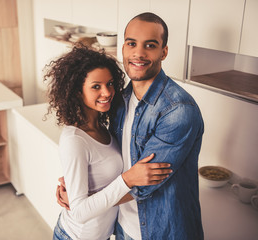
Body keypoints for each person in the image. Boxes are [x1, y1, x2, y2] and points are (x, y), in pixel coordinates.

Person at [57, 12, 205, 240]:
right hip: (122, 227)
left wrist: (83, 203)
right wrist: (78, 192)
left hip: (162, 230)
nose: (138, 53)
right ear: (123, 48)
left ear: (163, 52)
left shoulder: (177, 109)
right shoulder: (119, 101)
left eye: (150, 45)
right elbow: (112, 161)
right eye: (132, 43)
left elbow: (144, 184)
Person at [44, 45, 172, 240]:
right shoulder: (74, 140)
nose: (107, 92)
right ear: (78, 91)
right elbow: (79, 212)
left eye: (110, 83)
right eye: (96, 86)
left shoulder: (105, 127)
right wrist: (128, 179)